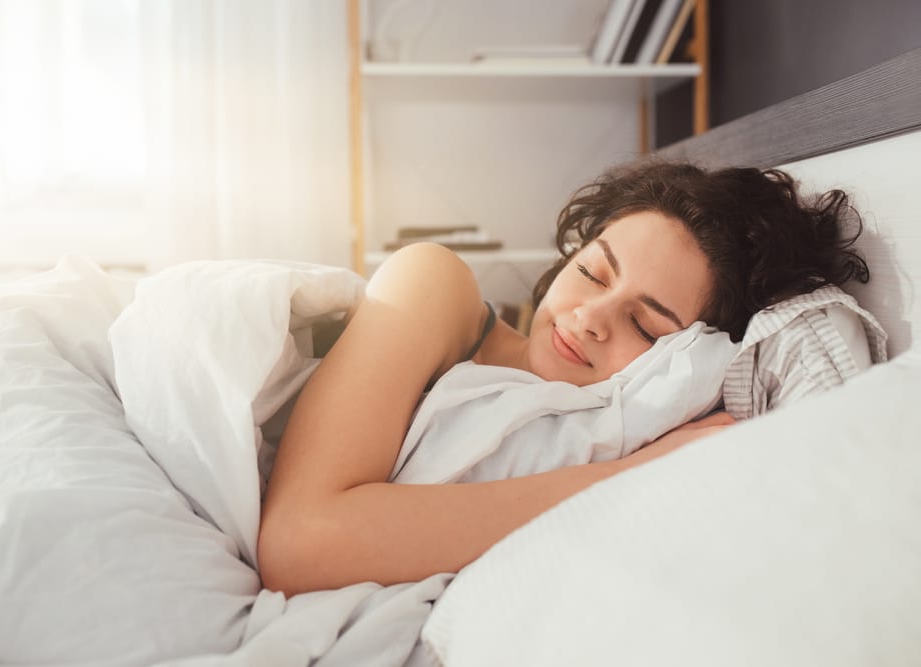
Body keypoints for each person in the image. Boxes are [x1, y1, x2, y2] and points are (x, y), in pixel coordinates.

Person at [258, 159, 869, 596]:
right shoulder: (435, 284)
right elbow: (299, 542)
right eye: (593, 273)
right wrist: (630, 477)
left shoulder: (613, 426)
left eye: (645, 326)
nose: (590, 317)